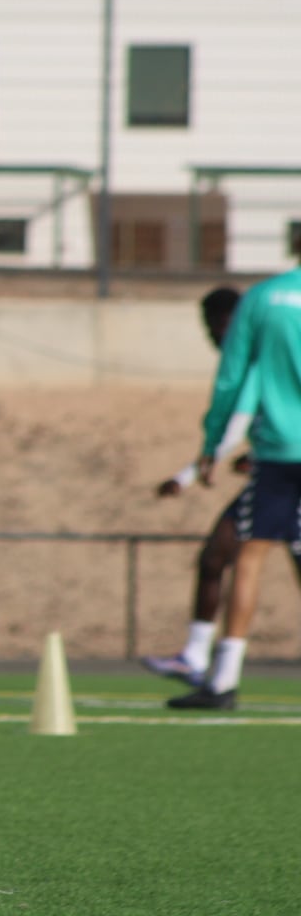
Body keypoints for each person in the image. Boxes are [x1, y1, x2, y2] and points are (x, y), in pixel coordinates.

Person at [169, 264, 301, 711]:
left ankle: (223, 679)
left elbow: (236, 381)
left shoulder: (263, 299)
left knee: (249, 559)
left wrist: (212, 446)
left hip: (281, 451)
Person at [141, 286, 264, 684]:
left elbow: (244, 418)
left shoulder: (262, 356)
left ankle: (212, 668)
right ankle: (196, 657)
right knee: (216, 557)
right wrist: (187, 475)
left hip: (286, 474)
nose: (211, 333)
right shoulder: (246, 361)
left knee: (238, 561)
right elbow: (239, 427)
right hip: (275, 474)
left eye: (215, 324)